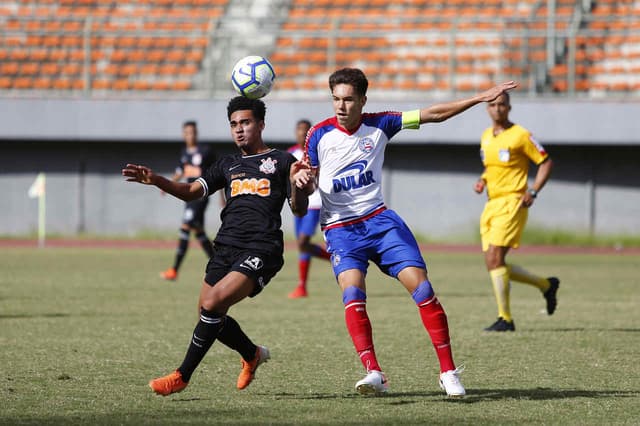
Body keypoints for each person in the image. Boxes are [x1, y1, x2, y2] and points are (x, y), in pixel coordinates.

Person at [299, 67, 517, 397]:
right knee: (352, 292)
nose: (341, 106)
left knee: (423, 289)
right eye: (335, 99)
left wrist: (477, 98)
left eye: (348, 99)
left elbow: (434, 114)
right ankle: (373, 372)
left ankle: (448, 372)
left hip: (381, 222)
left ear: (362, 100)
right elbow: (304, 192)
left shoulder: (382, 123)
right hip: (341, 229)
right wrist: (299, 183)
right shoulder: (317, 135)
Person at [122, 96, 313, 396]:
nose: (239, 130)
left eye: (246, 123)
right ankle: (251, 354)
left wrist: (301, 186)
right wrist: (157, 180)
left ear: (261, 124)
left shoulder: (282, 161)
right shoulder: (226, 164)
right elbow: (189, 192)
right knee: (207, 312)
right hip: (226, 246)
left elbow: (299, 209)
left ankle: (181, 376)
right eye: (234, 124)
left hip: (262, 247)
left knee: (212, 306)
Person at [473, 92, 559, 332]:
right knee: (493, 262)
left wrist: (533, 190)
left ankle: (506, 319)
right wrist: (482, 180)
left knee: (495, 258)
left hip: (513, 202)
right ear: (487, 109)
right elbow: (492, 168)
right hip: (492, 204)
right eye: (492, 105)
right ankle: (545, 285)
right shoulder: (486, 137)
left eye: (502, 104)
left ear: (509, 107)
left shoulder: (521, 135)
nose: (497, 109)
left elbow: (546, 162)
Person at [160, 121, 219, 281]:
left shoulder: (206, 151)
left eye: (192, 132)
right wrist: (167, 185)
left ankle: (174, 270)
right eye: (187, 132)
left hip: (200, 196)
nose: (190, 135)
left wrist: (222, 196)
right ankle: (221, 265)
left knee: (185, 227)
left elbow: (218, 172)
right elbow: (180, 171)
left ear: (196, 133)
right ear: (183, 135)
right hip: (189, 197)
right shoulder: (184, 152)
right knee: (198, 232)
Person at [287, 119, 331, 299]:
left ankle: (332, 258)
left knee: (303, 241)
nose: (302, 133)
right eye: (299, 130)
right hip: (297, 203)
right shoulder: (290, 154)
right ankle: (302, 287)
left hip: (313, 203)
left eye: (305, 130)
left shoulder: (317, 152)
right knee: (301, 246)